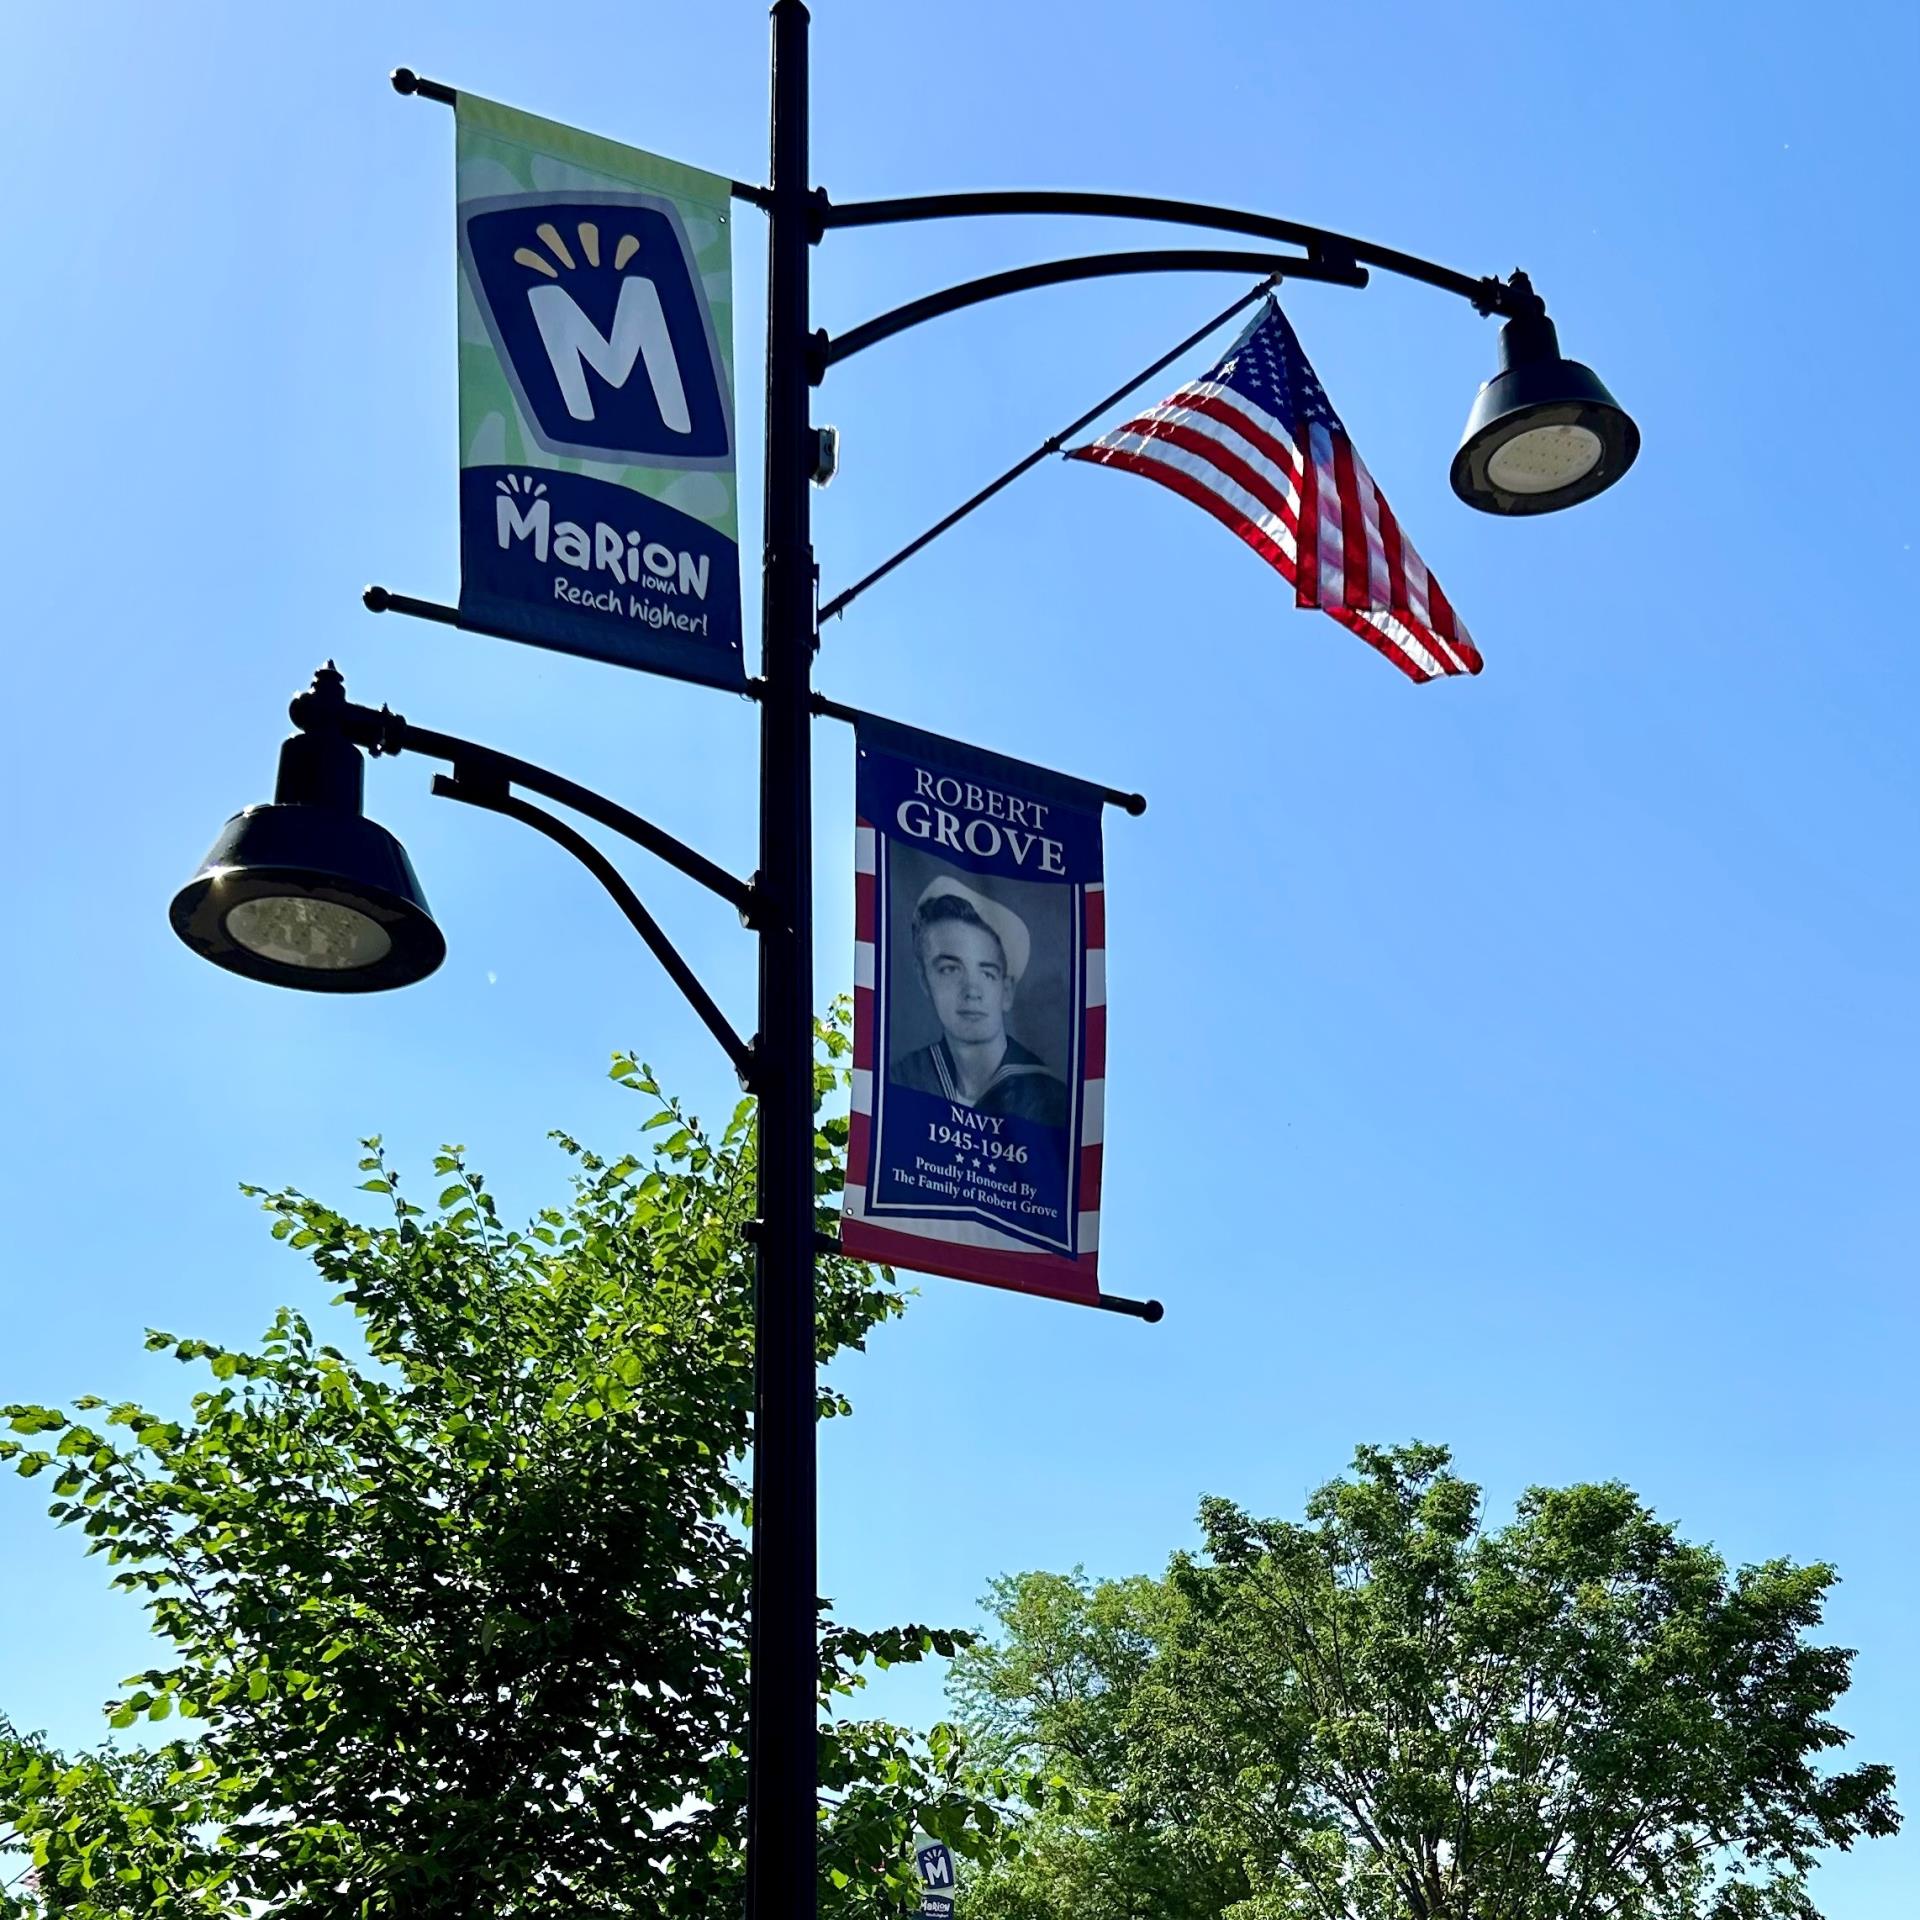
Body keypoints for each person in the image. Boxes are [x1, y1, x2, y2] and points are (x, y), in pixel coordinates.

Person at [889, 876, 1071, 1127]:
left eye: (987, 973)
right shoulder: (902, 1080)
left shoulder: (1051, 1101)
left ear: (1006, 991)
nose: (972, 991)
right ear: (924, 979)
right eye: (950, 969)